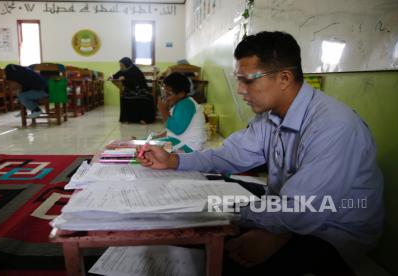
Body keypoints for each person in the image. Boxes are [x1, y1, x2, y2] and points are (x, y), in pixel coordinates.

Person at [137, 31, 384, 275]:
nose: (241, 90)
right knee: (203, 194)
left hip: (331, 232)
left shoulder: (333, 126)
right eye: (238, 79)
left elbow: (305, 209)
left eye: (248, 80)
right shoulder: (270, 116)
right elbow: (228, 156)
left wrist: (251, 222)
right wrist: (174, 160)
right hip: (289, 211)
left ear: (284, 78)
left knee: (222, 258)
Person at [156, 72, 206, 152]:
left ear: (181, 93)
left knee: (149, 149)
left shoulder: (186, 104)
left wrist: (163, 110)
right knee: (147, 143)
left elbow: (177, 129)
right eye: (164, 90)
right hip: (180, 142)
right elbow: (171, 128)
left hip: (188, 147)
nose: (165, 94)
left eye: (169, 92)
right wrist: (157, 137)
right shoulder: (181, 102)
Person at [109, 57, 155, 124]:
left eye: (122, 65)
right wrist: (112, 77)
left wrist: (125, 79)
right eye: (120, 65)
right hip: (129, 91)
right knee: (124, 97)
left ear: (127, 64)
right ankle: (127, 119)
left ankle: (144, 119)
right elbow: (116, 76)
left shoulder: (135, 70)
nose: (120, 67)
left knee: (145, 98)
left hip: (140, 90)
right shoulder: (123, 70)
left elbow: (136, 82)